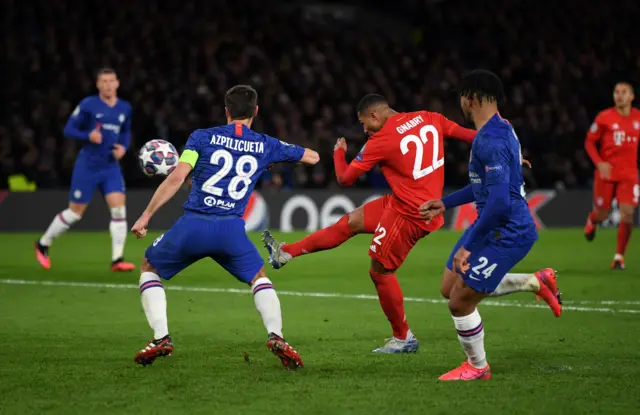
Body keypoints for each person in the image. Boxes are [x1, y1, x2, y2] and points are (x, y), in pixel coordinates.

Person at [265, 95, 477, 353]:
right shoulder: (429, 117)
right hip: (406, 201)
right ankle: (286, 252)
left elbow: (344, 178)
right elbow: (469, 135)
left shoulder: (382, 139)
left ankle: (403, 338)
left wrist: (339, 153)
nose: (364, 130)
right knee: (351, 222)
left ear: (375, 116)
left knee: (380, 270)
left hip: (410, 213)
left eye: (364, 123)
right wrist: (506, 151)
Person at [130, 85, 320, 369]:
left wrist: (146, 215)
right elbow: (312, 157)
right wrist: (269, 158)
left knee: (148, 266)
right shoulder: (265, 145)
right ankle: (277, 335)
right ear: (256, 111)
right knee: (258, 277)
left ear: (226, 111)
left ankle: (161, 338)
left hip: (193, 225)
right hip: (231, 231)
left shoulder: (201, 138)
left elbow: (177, 177)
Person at [419, 69, 562, 381]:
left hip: (508, 229)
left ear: (470, 99)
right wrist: (446, 202)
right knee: (449, 286)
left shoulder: (490, 140)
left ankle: (478, 366)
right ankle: (534, 282)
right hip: (494, 222)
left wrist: (467, 246)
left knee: (459, 301)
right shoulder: (502, 129)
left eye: (461, 97)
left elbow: (498, 203)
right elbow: (485, 186)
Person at [34, 68, 135, 272]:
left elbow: (126, 132)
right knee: (75, 213)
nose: (107, 85)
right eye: (103, 81)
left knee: (118, 209)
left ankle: (117, 259)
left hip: (110, 166)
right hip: (88, 165)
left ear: (117, 83)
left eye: (111, 81)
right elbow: (69, 129)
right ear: (98, 85)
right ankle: (43, 243)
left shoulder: (124, 107)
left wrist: (123, 147)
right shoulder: (88, 104)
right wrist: (88, 135)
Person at [583, 82, 640, 270]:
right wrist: (599, 163)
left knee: (628, 215)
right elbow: (589, 142)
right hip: (606, 173)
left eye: (624, 92)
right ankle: (592, 220)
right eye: (616, 92)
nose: (619, 96)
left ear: (632, 96)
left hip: (629, 174)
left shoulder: (638, 118)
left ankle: (619, 257)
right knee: (603, 213)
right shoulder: (604, 117)